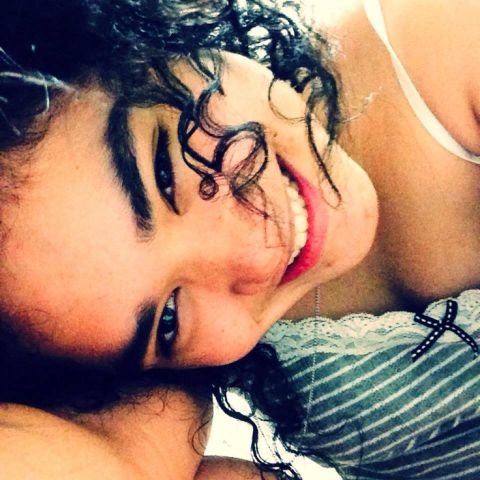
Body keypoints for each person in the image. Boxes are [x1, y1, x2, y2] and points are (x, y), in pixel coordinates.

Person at [0, 0, 478, 478]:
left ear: (154, 37)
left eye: (164, 174)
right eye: (169, 318)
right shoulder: (205, 382)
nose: (258, 256)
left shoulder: (451, 41)